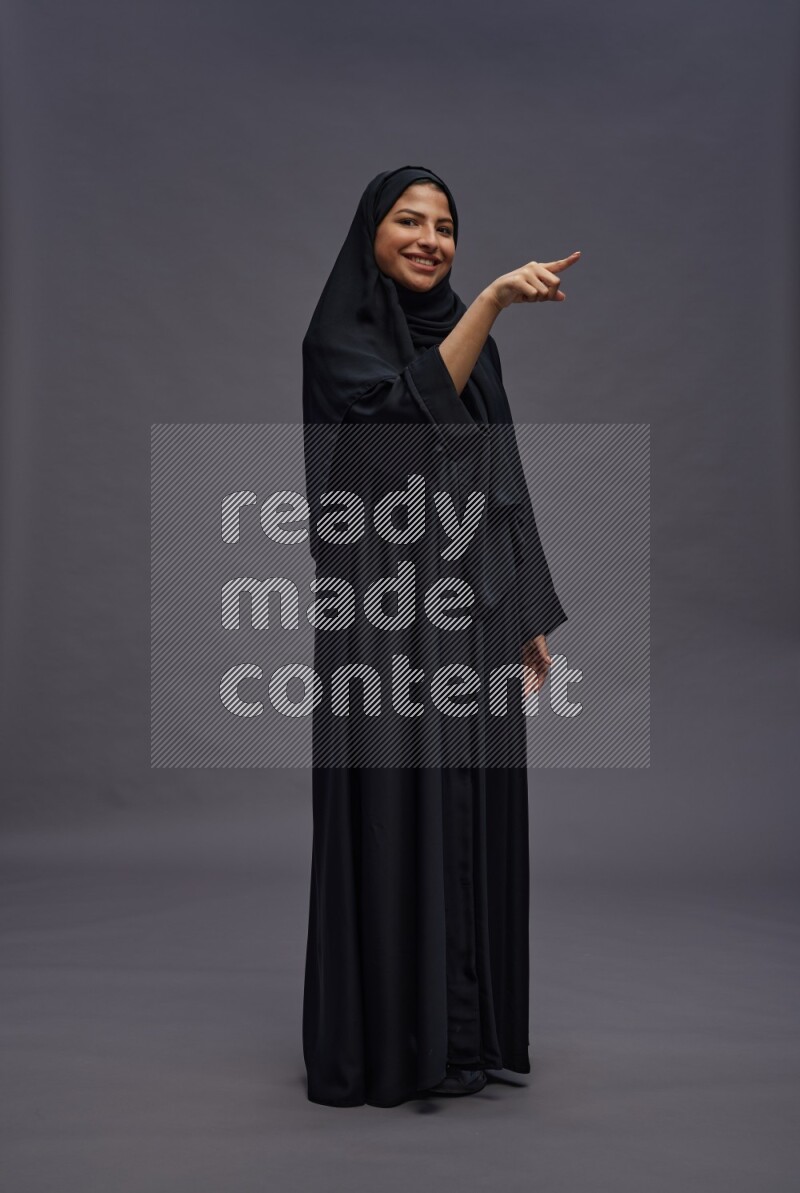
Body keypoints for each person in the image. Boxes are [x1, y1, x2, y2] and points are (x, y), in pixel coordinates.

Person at [301, 165, 578, 1107]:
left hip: (473, 608)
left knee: (470, 806)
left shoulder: (474, 346)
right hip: (382, 611)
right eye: (409, 221)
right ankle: (396, 1042)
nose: (431, 239)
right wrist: (495, 299)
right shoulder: (338, 340)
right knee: (396, 807)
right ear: (371, 234)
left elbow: (503, 473)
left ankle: (468, 1035)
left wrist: (530, 610)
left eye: (447, 226)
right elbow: (391, 439)